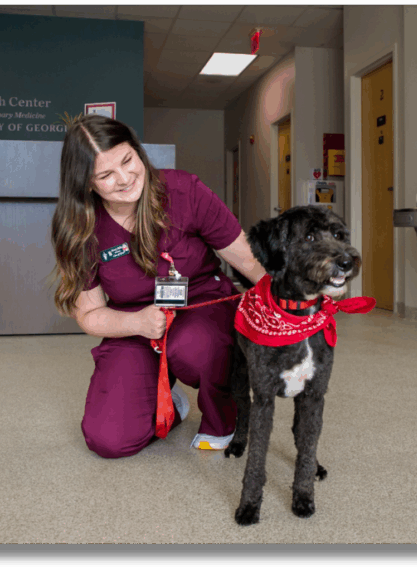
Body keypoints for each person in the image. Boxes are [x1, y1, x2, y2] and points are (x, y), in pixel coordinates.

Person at [51, 115, 266, 459]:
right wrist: (136, 322)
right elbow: (90, 314)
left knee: (193, 348)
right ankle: (172, 404)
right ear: (86, 185)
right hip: (135, 323)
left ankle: (224, 415)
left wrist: (295, 301)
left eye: (127, 160)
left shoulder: (184, 191)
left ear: (138, 152)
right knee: (109, 440)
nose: (124, 179)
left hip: (203, 304)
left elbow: (247, 260)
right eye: (106, 175)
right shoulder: (80, 229)